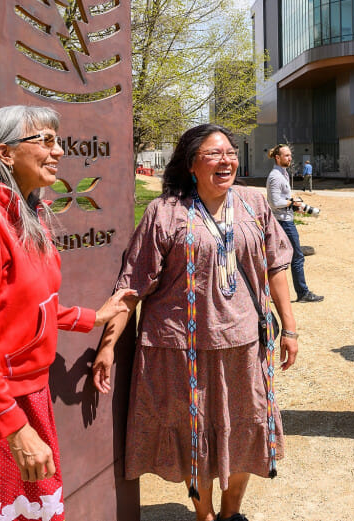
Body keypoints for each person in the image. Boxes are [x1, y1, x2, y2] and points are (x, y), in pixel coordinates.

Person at [0, 105, 134, 521]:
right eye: (46, 141)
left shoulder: (23, 214)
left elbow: (25, 307)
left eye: (59, 141)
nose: (58, 152)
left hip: (23, 393)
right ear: (4, 154)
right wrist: (13, 428)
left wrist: (94, 317)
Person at [93, 124, 298, 521]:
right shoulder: (166, 212)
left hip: (244, 342)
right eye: (214, 154)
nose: (226, 161)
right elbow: (134, 285)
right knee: (195, 434)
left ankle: (230, 513)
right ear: (191, 165)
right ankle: (203, 514)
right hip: (183, 348)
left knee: (247, 427)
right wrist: (107, 344)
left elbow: (276, 266)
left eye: (230, 153)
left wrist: (289, 328)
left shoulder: (254, 203)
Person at [266, 143, 323, 302]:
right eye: (286, 156)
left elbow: (282, 200)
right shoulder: (275, 176)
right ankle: (302, 293)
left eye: (290, 155)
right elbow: (275, 201)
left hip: (285, 219)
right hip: (283, 222)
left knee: (279, 258)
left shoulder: (283, 173)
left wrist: (295, 205)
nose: (290, 158)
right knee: (297, 256)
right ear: (277, 158)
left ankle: (272, 293)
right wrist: (291, 203)